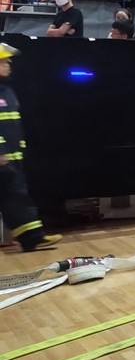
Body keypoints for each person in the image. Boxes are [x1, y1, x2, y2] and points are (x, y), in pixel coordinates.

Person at [0, 42, 62, 252]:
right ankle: (32, 238)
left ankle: (32, 238)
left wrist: (19, 148)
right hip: (3, 158)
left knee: (15, 197)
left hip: (11, 159)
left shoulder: (7, 90)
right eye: (3, 62)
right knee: (14, 197)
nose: (8, 65)